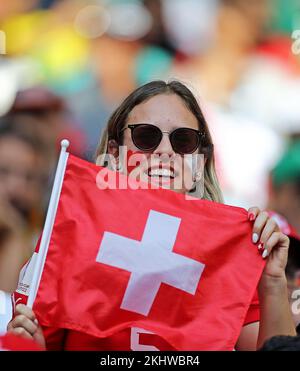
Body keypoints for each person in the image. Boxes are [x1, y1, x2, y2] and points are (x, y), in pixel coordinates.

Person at [7, 80, 296, 350]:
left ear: (200, 161)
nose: (165, 151)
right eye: (146, 137)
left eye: (183, 141)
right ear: (115, 153)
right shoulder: (71, 231)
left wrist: (272, 281)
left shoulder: (230, 253)